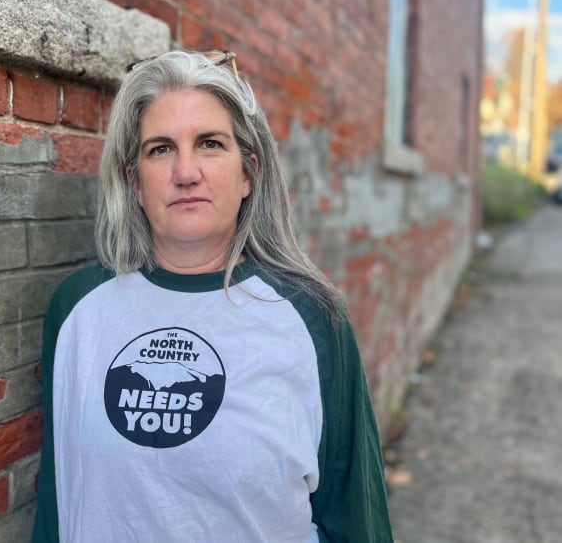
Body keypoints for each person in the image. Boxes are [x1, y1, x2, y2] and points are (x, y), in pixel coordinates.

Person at [31, 49, 392, 542]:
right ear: (135, 183)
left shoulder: (310, 317)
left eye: (209, 144)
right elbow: (59, 502)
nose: (185, 171)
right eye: (160, 149)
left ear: (247, 173)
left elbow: (356, 517)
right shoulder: (78, 311)